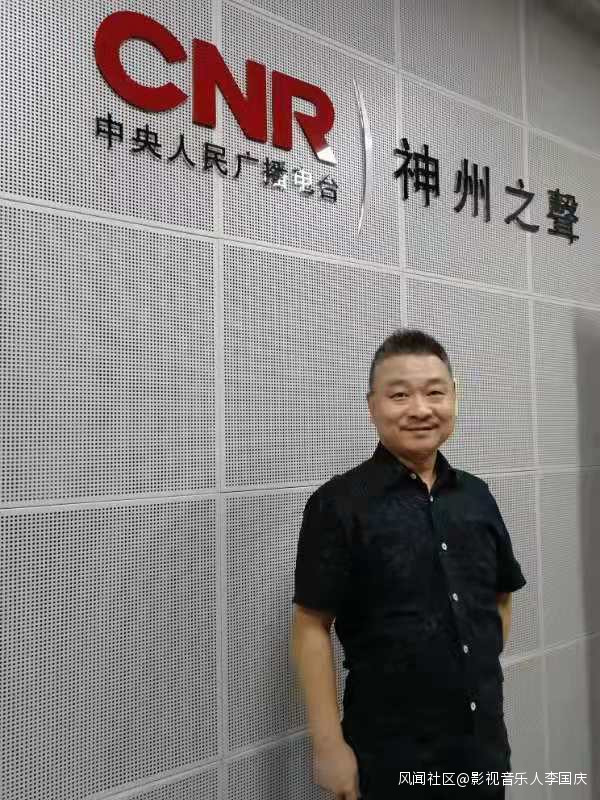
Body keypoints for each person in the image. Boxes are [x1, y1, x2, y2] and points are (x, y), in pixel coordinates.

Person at [290, 328, 527, 799]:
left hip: (482, 750)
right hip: (388, 756)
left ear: (454, 397)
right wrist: (329, 748)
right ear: (372, 405)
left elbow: (499, 596)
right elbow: (310, 627)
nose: (420, 409)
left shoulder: (477, 497)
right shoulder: (338, 505)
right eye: (400, 395)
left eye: (434, 392)